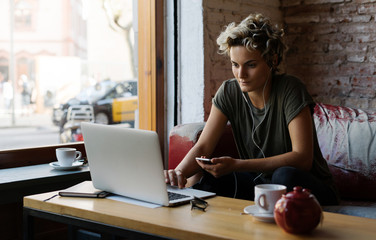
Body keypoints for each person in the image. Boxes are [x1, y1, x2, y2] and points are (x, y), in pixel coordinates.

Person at [165, 13, 339, 205]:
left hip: (307, 187)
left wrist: (237, 165)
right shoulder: (229, 92)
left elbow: (302, 158)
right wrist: (177, 173)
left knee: (283, 177)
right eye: (235, 65)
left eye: (251, 65)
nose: (241, 75)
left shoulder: (290, 89)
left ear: (272, 60)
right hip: (260, 183)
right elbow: (203, 146)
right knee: (211, 181)